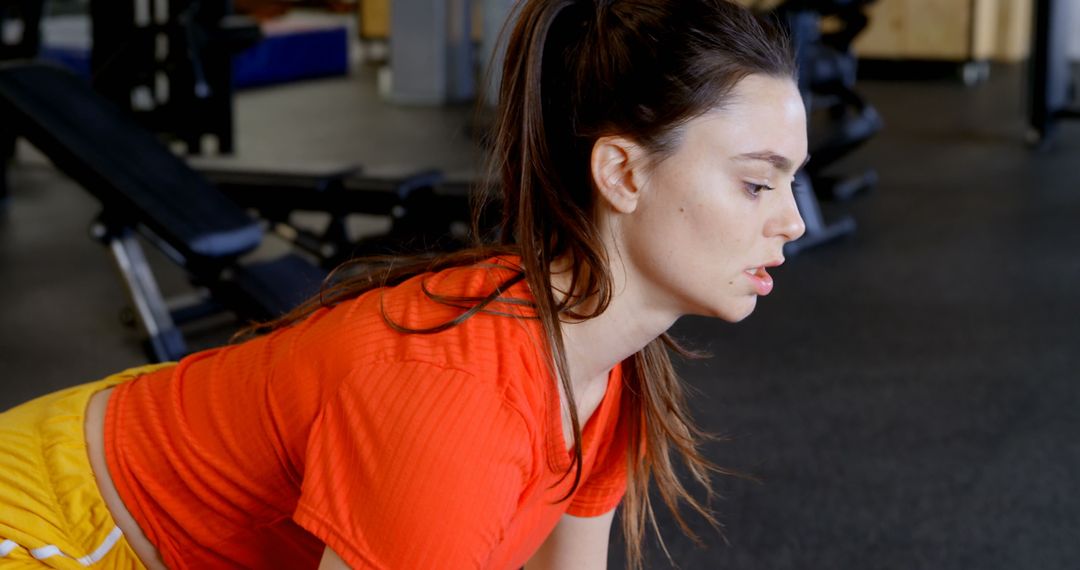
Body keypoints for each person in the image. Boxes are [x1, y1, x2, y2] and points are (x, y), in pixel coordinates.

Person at [0, 0, 807, 568]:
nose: (793, 223)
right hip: (54, 529)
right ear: (622, 171)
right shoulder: (460, 399)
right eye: (756, 184)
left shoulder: (606, 371)